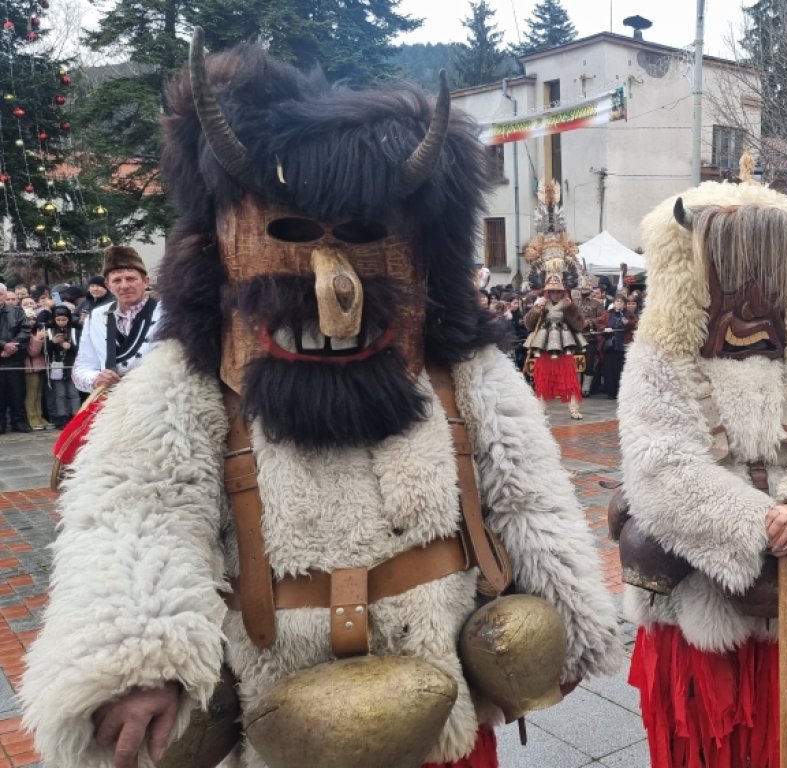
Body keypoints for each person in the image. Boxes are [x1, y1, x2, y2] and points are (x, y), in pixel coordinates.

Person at [21, 38, 621, 768]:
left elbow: (530, 500)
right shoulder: (188, 382)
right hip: (283, 723)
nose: (332, 278)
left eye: (365, 235)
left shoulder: (464, 374)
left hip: (444, 713)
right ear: (222, 242)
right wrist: (136, 661)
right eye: (294, 233)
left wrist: (568, 620)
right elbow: (133, 516)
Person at [618, 183, 787, 768]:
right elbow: (661, 465)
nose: (748, 300)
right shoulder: (659, 360)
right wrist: (761, 523)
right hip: (694, 600)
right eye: (730, 275)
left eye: (764, 277)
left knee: (779, 740)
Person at [71, 247, 163, 395]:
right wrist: (96, 379)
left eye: (131, 279)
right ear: (108, 286)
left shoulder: (166, 312)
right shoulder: (96, 316)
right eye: (117, 280)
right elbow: (81, 368)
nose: (124, 286)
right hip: (113, 402)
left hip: (157, 400)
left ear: (145, 281)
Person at [523, 278, 589, 419]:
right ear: (547, 292)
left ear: (562, 292)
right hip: (544, 344)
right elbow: (529, 325)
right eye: (552, 291)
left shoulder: (570, 304)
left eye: (557, 291)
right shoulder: (541, 303)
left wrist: (570, 308)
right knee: (543, 376)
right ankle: (540, 409)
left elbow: (579, 325)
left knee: (569, 376)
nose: (555, 294)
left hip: (565, 344)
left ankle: (574, 409)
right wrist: (536, 309)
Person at [43, 304, 81, 428]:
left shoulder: (75, 331)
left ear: (69, 319)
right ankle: (62, 417)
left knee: (73, 393)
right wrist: (52, 343)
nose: (61, 322)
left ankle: (76, 416)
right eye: (58, 320)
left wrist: (71, 347)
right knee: (59, 394)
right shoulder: (49, 331)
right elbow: (44, 352)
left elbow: (83, 350)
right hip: (56, 366)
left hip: (73, 366)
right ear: (54, 320)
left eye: (64, 320)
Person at [591, 296, 637, 399]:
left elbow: (635, 324)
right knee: (609, 369)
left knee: (622, 370)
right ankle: (611, 392)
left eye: (621, 301)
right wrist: (605, 328)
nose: (619, 303)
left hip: (624, 345)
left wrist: (628, 323)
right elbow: (599, 323)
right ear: (614, 303)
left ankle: (622, 392)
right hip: (610, 345)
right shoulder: (608, 314)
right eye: (617, 301)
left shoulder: (629, 314)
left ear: (624, 304)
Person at [0, 283, 29, 432]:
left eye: (0, 294)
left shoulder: (17, 312)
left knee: (17, 393)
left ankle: (19, 422)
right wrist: (3, 345)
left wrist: (11, 346)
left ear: (5, 295)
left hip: (14, 358)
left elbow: (25, 331)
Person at [21, 299, 52, 430]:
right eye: (29, 319)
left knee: (39, 394)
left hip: (39, 366)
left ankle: (39, 416)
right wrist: (38, 340)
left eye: (33, 319)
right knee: (31, 395)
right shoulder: (26, 334)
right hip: (30, 367)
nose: (32, 321)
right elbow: (32, 352)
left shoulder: (36, 331)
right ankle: (32, 418)